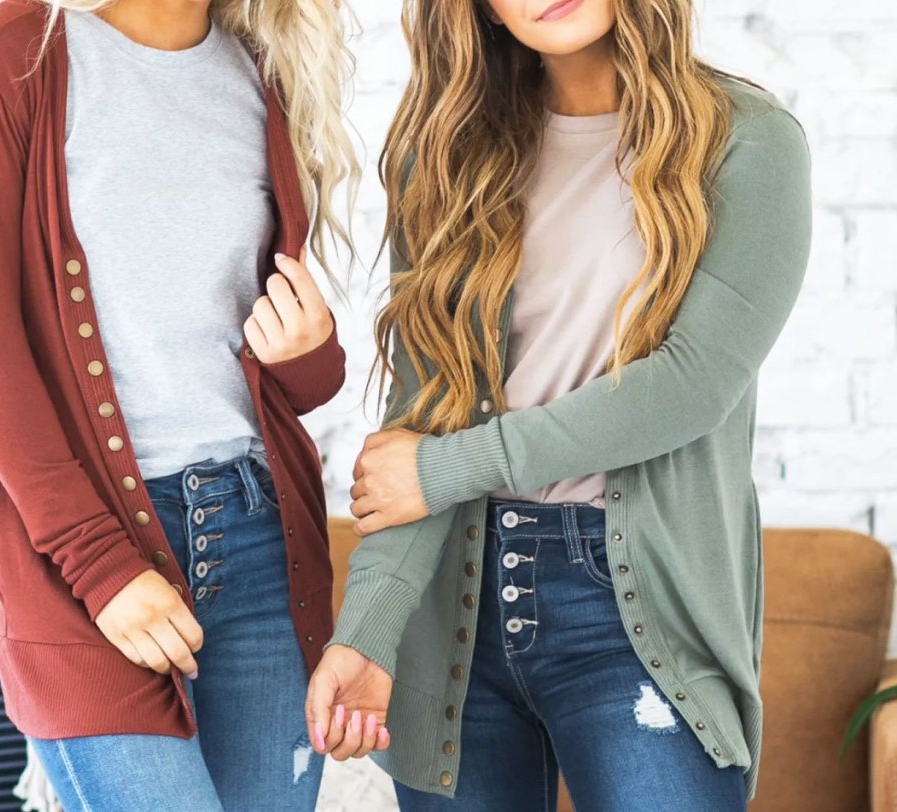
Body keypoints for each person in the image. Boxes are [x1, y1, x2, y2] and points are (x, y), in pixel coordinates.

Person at [306, 0, 812, 809]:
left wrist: (449, 466)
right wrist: (368, 630)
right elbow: (421, 424)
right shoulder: (446, 157)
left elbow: (691, 385)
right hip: (459, 615)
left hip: (633, 614)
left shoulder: (747, 142)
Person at [0, 0, 361, 808]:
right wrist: (100, 563)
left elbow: (297, 382)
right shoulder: (11, 53)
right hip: (82, 561)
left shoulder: (260, 69)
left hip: (260, 536)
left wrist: (312, 351)